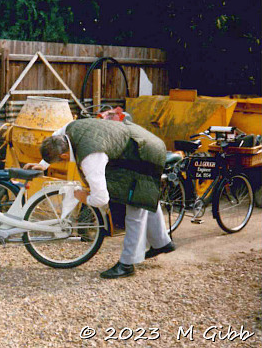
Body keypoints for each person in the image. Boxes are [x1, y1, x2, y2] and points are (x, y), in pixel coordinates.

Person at [24, 118, 175, 279]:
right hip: (134, 140)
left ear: (64, 154)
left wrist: (85, 198)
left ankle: (127, 264)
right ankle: (162, 243)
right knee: (146, 197)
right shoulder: (68, 130)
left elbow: (101, 199)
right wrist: (42, 165)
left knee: (135, 205)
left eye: (63, 160)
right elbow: (55, 135)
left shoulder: (91, 156)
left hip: (144, 152)